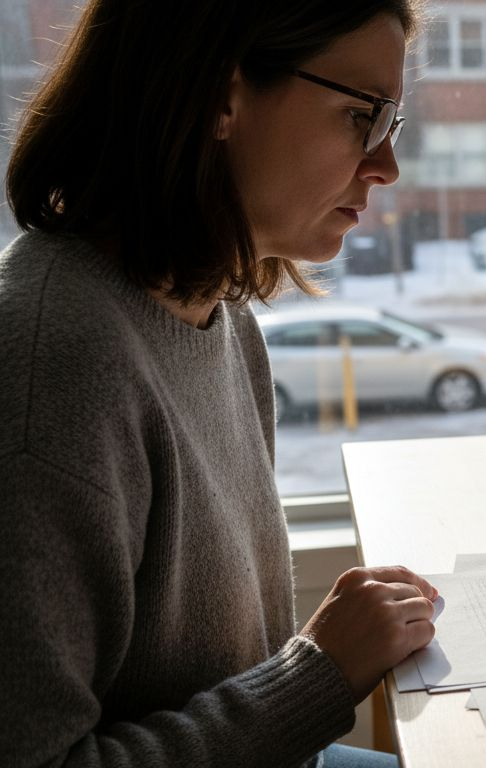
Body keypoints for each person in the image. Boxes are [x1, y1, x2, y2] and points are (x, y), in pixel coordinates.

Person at [0, 1, 437, 765]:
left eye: (390, 122)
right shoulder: (55, 366)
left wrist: (317, 662)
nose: (385, 164)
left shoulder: (222, 317)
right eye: (360, 114)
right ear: (219, 99)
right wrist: (320, 672)